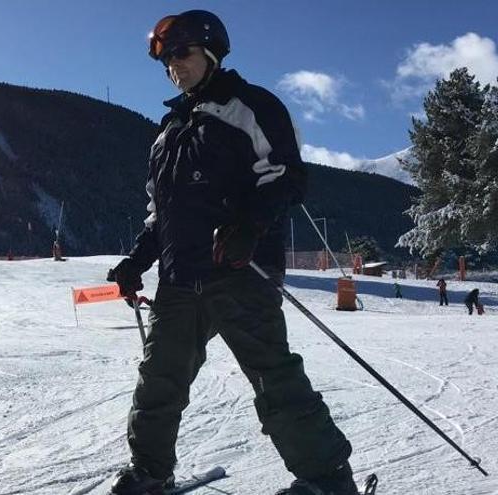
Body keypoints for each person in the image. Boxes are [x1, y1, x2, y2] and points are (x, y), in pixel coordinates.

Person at [106, 10, 355, 495]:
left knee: (273, 379)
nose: (174, 66)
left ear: (211, 52)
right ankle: (150, 473)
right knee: (160, 381)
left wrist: (248, 227)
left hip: (242, 271)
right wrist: (136, 262)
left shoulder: (250, 106)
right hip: (180, 281)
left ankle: (328, 480)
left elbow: (286, 176)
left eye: (182, 53)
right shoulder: (167, 134)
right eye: (166, 60)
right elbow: (160, 214)